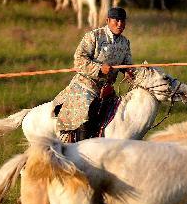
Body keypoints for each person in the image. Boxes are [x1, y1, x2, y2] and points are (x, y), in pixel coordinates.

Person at [53, 7, 132, 142]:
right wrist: (99, 69)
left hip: (106, 89)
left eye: (123, 21)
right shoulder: (94, 36)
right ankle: (79, 146)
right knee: (86, 114)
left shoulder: (125, 42)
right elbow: (79, 59)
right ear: (108, 20)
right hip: (86, 84)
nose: (120, 24)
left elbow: (127, 64)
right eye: (116, 20)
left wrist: (128, 72)